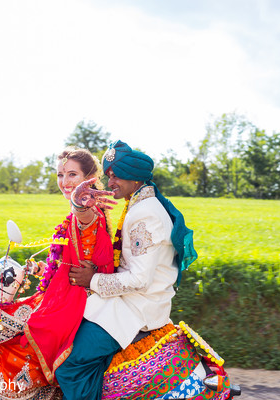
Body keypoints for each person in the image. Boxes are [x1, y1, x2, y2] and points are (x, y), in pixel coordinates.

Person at [0, 148, 117, 400]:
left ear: (90, 179)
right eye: (61, 174)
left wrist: (79, 205)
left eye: (73, 174)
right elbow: (71, 257)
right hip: (58, 295)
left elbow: (86, 225)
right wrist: (43, 268)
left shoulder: (89, 211)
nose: (65, 182)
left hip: (67, 304)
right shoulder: (77, 212)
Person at [58, 140, 198, 400]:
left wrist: (92, 280)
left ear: (135, 178)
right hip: (126, 302)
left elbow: (139, 280)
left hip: (135, 308)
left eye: (115, 176)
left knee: (69, 365)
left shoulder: (145, 213)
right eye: (108, 175)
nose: (110, 182)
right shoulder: (139, 205)